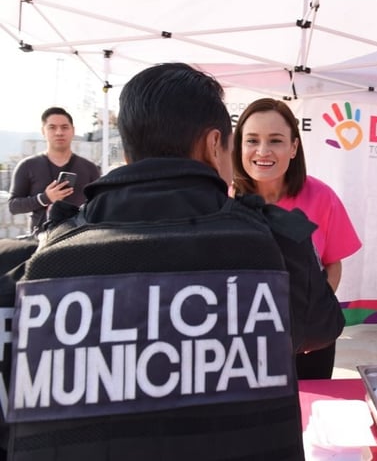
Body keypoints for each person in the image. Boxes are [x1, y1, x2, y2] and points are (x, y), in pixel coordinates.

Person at [0, 63, 344, 460]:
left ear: (129, 148)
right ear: (215, 144)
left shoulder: (32, 266)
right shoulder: (277, 244)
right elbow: (321, 329)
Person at [230, 97, 361, 380]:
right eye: (252, 140)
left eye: (275, 140)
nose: (262, 151)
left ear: (293, 147)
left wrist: (308, 322)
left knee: (309, 417)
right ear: (238, 145)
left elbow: (332, 264)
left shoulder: (321, 197)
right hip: (239, 343)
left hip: (308, 344)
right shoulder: (222, 201)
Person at [8, 107, 100, 235]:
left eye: (64, 127)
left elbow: (99, 204)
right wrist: (45, 198)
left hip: (79, 239)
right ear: (43, 131)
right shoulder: (27, 165)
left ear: (73, 131)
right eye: (52, 127)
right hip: (40, 240)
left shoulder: (89, 168)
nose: (59, 132)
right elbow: (13, 206)